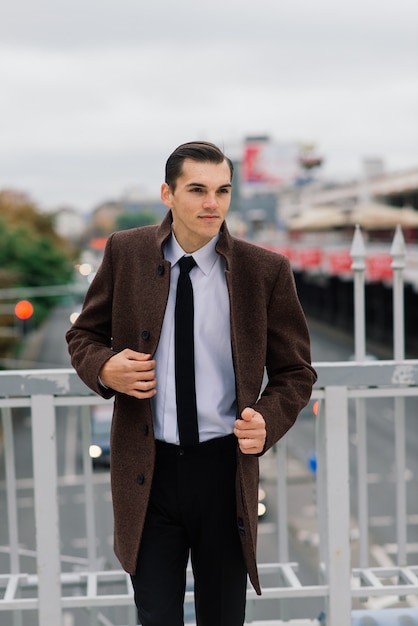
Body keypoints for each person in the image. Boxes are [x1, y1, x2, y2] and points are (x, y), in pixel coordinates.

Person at [66, 140, 317, 626]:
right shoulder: (126, 251)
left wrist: (268, 419)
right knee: (156, 615)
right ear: (168, 193)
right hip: (149, 470)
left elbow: (296, 372)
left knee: (223, 616)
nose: (212, 204)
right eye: (198, 190)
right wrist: (104, 367)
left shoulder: (265, 271)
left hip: (224, 471)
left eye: (222, 191)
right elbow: (83, 335)